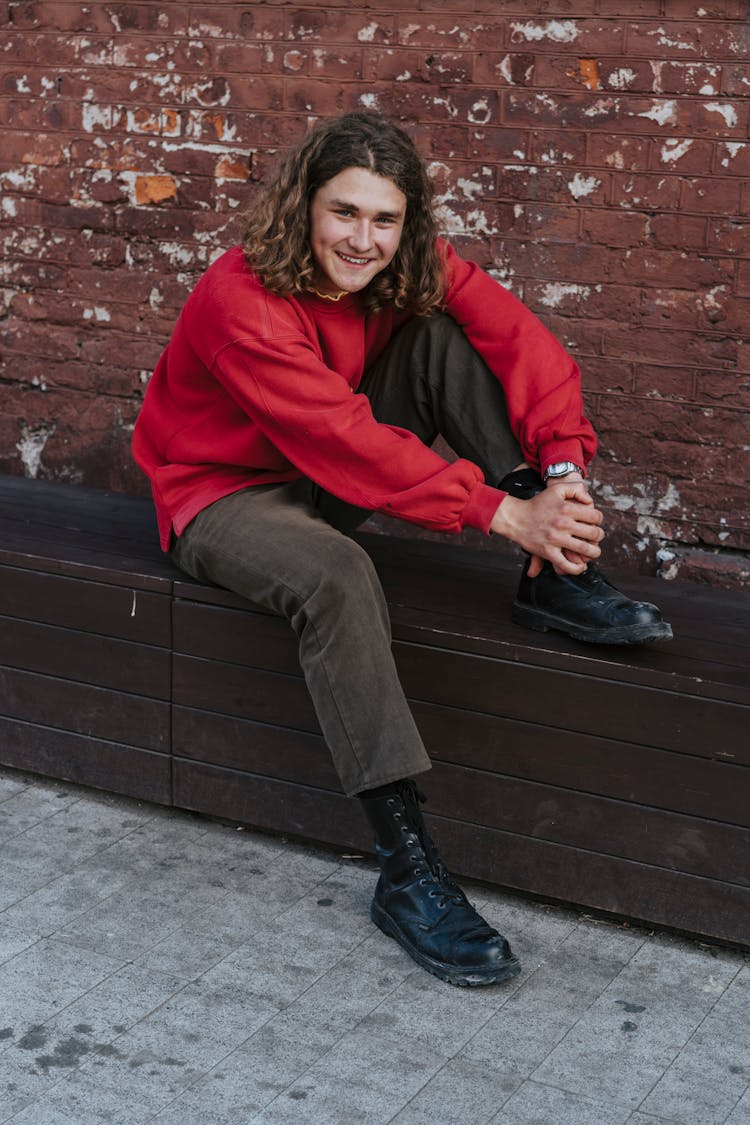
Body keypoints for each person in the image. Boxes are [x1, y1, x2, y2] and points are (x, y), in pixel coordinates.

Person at [133, 111, 672, 988]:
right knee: (340, 575)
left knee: (443, 338)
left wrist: (560, 474)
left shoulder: (407, 262)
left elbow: (517, 337)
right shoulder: (240, 298)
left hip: (325, 475)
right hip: (222, 493)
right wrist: (496, 510)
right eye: (344, 213)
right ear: (304, 206)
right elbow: (343, 436)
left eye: (384, 221)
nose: (363, 240)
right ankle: (405, 868)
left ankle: (554, 573)